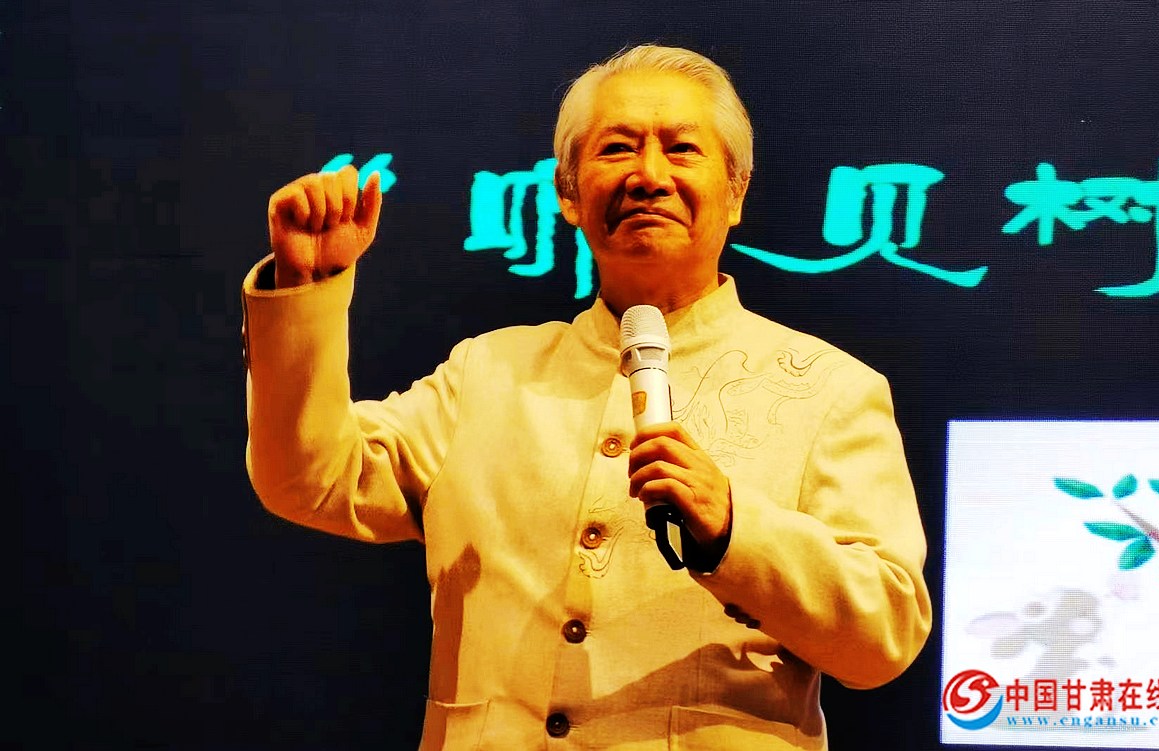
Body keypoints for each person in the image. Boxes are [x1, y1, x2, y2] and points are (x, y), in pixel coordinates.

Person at [242, 44, 931, 750]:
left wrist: (735, 528)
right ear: (568, 194)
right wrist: (307, 287)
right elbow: (308, 478)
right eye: (618, 148)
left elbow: (885, 633)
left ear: (736, 192)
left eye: (682, 149)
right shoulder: (487, 372)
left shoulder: (831, 388)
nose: (649, 176)